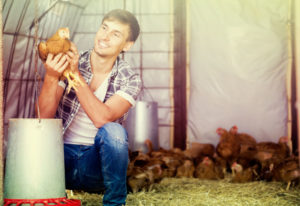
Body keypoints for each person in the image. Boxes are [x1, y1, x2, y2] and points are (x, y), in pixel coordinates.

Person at [37, 9, 141, 206]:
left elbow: (103, 118)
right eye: (104, 28)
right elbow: (43, 117)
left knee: (114, 131)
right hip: (60, 161)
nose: (105, 36)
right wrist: (51, 76)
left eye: (115, 34)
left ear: (127, 45)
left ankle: (114, 203)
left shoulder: (130, 79)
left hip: (96, 166)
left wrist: (75, 75)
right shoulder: (69, 59)